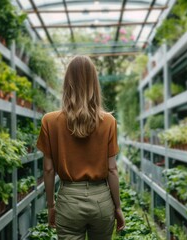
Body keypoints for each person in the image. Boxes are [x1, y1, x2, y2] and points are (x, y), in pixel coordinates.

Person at [36, 55, 125, 240]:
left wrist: (51, 205)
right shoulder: (108, 121)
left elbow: (48, 168)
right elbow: (112, 170)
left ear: (67, 83)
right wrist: (117, 208)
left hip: (68, 200)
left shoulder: (50, 121)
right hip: (101, 199)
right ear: (94, 83)